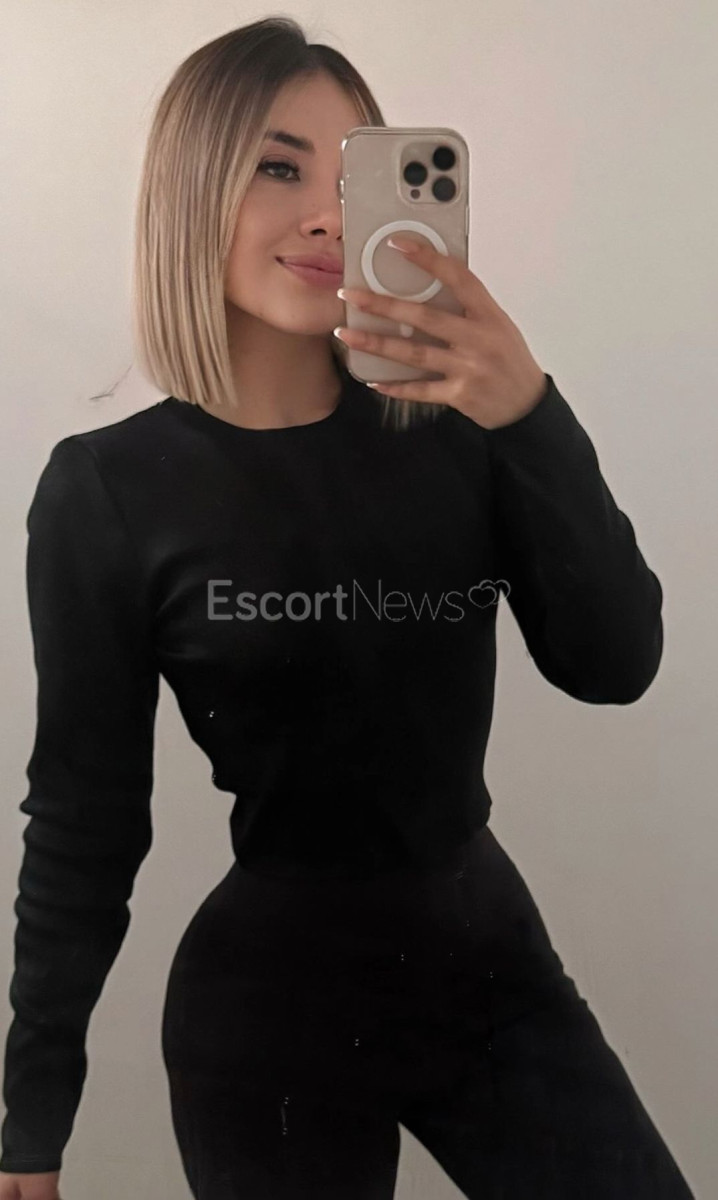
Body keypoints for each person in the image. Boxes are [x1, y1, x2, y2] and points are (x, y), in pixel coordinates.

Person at [0, 17, 695, 1200]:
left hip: (490, 972)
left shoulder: (457, 434)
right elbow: (83, 814)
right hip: (270, 1018)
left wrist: (530, 413)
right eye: (279, 167)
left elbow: (614, 662)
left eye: (353, 176)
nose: (327, 215)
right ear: (192, 188)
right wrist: (32, 1117)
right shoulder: (108, 491)